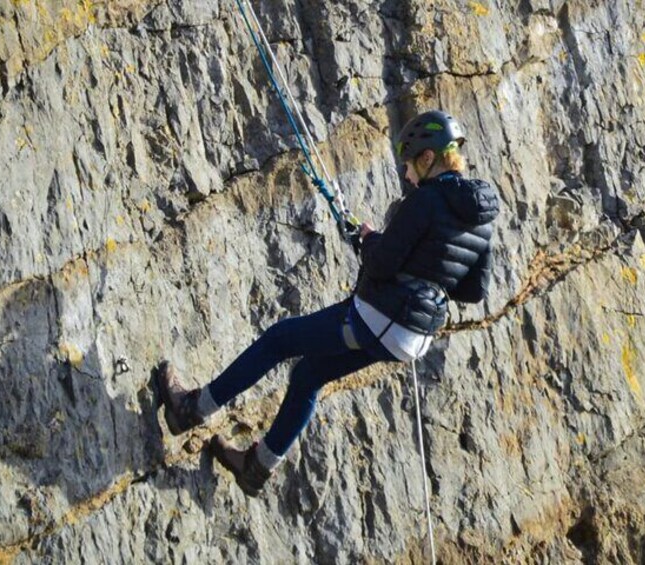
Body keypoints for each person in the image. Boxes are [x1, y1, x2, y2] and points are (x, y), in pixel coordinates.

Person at [156, 110, 499, 496]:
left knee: (279, 340)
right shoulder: (482, 217)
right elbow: (473, 290)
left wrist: (369, 239)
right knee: (308, 375)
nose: (407, 176)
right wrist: (429, 266)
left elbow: (383, 262)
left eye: (409, 164)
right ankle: (257, 467)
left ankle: (192, 409)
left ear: (427, 158)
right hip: (412, 337)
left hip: (381, 317)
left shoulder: (425, 201)